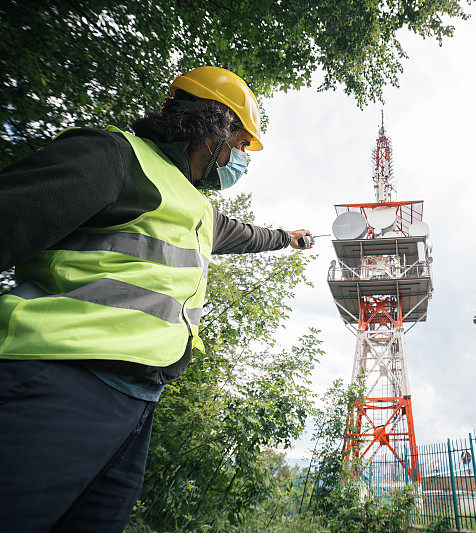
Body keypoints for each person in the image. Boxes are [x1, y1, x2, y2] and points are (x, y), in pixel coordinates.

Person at [0, 66, 313, 531]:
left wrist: (287, 237)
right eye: (242, 145)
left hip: (136, 408)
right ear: (215, 129)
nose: (241, 160)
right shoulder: (115, 157)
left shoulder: (197, 209)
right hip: (59, 379)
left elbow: (246, 235)